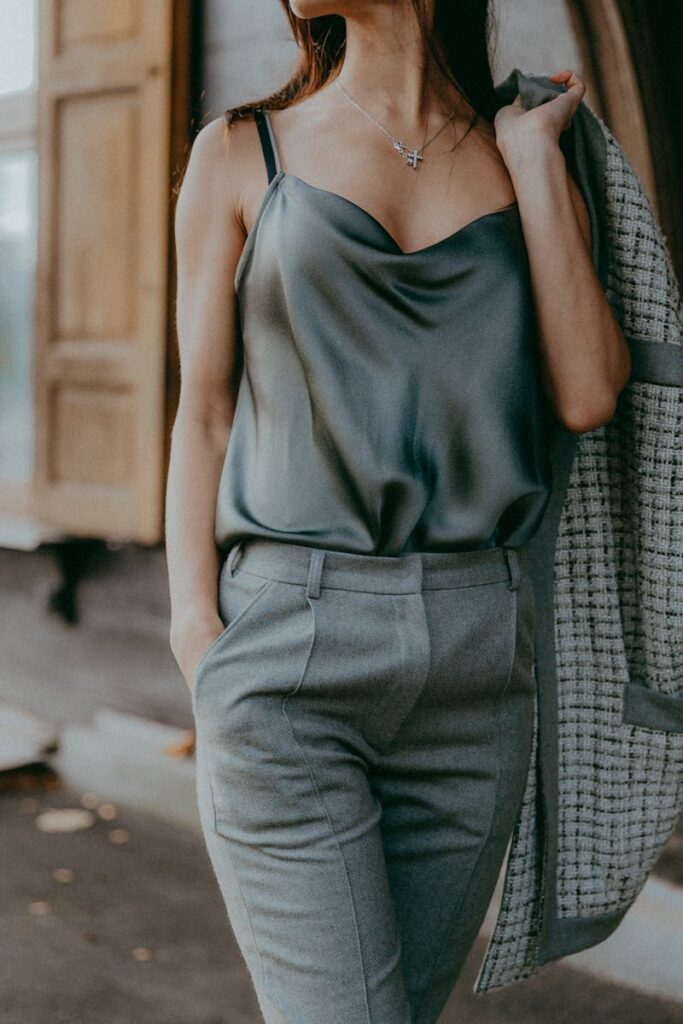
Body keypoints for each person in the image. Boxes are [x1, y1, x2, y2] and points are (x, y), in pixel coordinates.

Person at [165, 2, 632, 1022]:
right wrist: (195, 628)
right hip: (292, 649)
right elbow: (202, 410)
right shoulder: (242, 152)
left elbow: (588, 391)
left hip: (476, 669)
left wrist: (534, 160)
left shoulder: (529, 145)